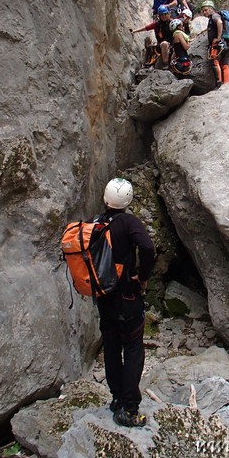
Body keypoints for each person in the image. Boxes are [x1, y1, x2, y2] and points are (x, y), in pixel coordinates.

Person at [95, 177, 155, 428]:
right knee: (132, 349)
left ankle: (117, 398)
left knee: (110, 347)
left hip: (103, 297)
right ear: (127, 201)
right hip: (127, 297)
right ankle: (129, 409)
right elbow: (148, 248)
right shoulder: (128, 222)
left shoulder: (94, 224)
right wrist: (142, 277)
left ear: (105, 198)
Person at [130, 5, 173, 69]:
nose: (164, 16)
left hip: (172, 44)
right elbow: (145, 28)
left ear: (167, 14)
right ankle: (166, 64)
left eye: (165, 14)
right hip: (161, 45)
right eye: (162, 15)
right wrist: (134, 31)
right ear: (159, 15)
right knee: (164, 44)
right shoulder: (157, 24)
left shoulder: (172, 22)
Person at [201, 0, 229, 89]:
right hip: (225, 44)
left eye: (206, 10)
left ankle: (219, 84)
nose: (204, 12)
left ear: (211, 9)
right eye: (203, 11)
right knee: (224, 64)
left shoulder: (214, 16)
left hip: (217, 45)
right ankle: (226, 84)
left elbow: (219, 22)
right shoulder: (214, 17)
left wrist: (218, 37)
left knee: (215, 62)